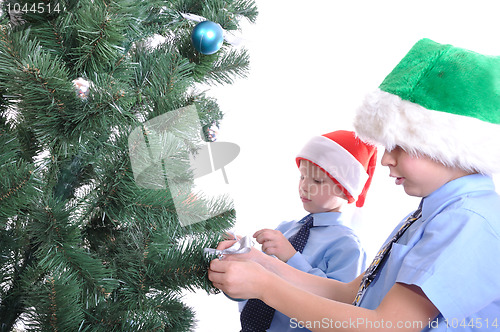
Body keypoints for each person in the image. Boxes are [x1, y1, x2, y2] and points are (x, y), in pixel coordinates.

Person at [208, 38, 500, 331]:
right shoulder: (433, 211)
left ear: (447, 145)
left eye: (399, 145)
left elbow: (387, 326)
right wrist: (262, 263)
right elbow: (352, 295)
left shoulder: (467, 220)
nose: (385, 159)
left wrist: (265, 287)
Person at [238, 130, 377, 331]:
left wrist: (291, 257)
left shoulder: (347, 246)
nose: (304, 186)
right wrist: (241, 258)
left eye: (317, 181)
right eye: (302, 177)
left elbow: (339, 307)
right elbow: (259, 282)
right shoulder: (286, 229)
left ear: (345, 190)